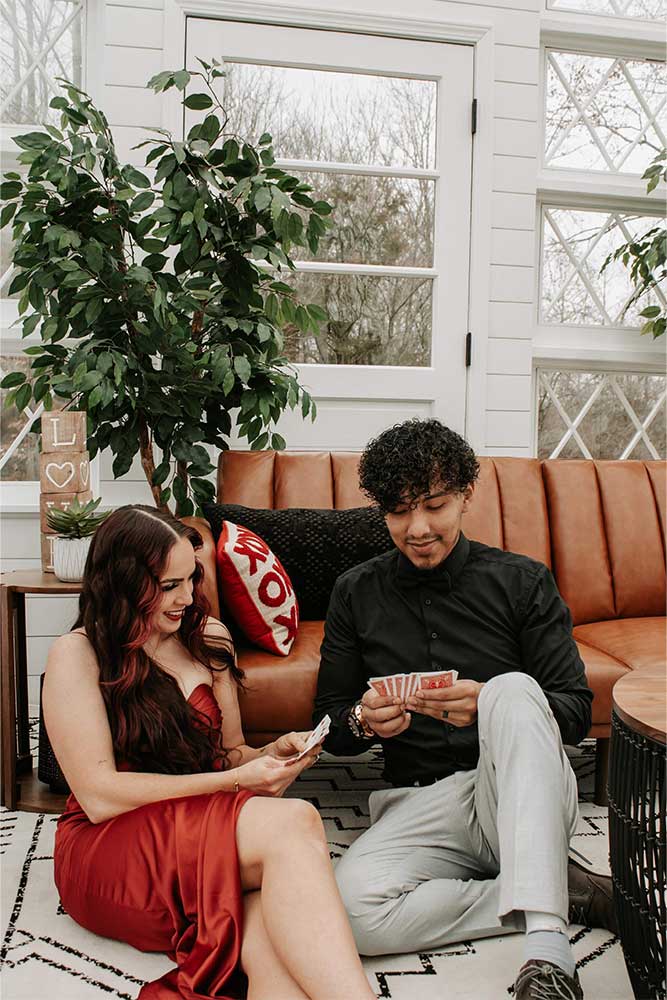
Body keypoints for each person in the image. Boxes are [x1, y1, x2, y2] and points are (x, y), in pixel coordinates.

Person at [313, 419, 617, 1000]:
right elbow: (330, 722)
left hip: (521, 788)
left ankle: (548, 955)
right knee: (351, 914)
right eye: (399, 512)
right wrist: (362, 720)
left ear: (466, 496)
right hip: (423, 802)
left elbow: (576, 711)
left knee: (510, 690)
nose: (418, 528)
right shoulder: (355, 591)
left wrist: (488, 707)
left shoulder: (523, 582)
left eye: (434, 505)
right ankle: (566, 891)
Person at [44, 504, 375, 1000]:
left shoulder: (209, 640)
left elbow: (230, 755)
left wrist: (270, 754)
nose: (186, 597)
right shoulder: (79, 653)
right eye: (168, 585)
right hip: (109, 846)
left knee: (270, 914)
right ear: (122, 581)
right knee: (296, 824)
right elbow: (99, 795)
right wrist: (236, 783)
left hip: (196, 827)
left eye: (190, 580)